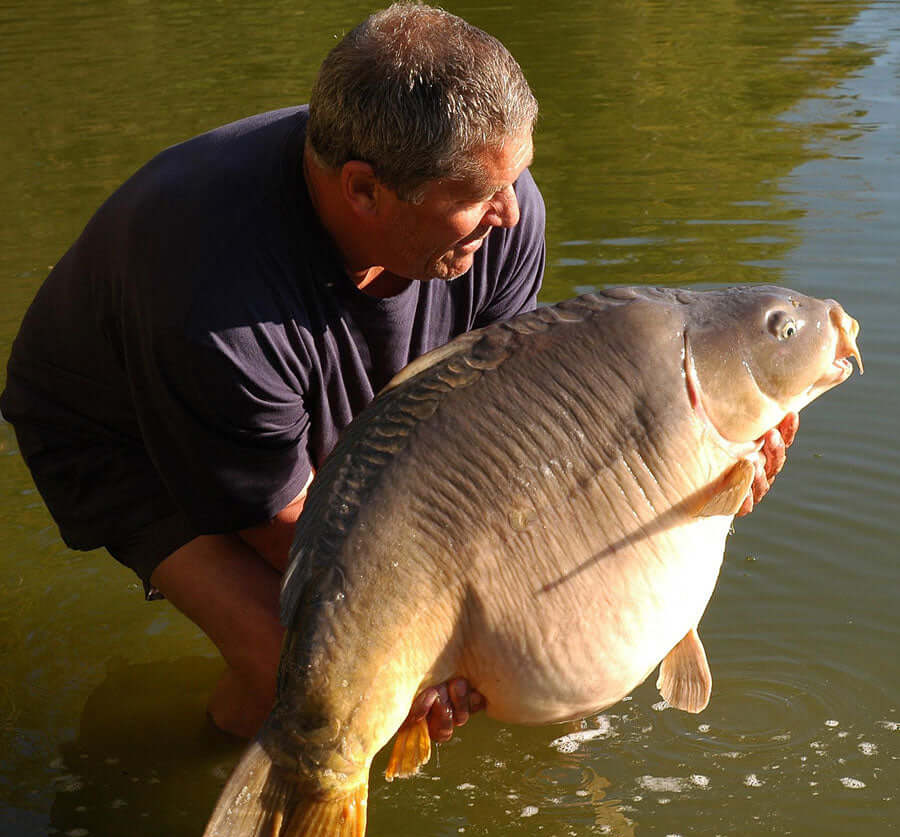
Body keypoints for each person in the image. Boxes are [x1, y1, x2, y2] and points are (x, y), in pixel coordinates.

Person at [1, 3, 792, 742]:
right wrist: (445, 633)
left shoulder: (501, 221)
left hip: (316, 392)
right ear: (364, 189)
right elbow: (296, 538)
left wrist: (688, 487)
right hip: (130, 438)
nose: (510, 212)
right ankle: (172, 803)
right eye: (481, 193)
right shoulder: (211, 300)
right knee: (311, 682)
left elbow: (506, 435)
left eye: (514, 179)